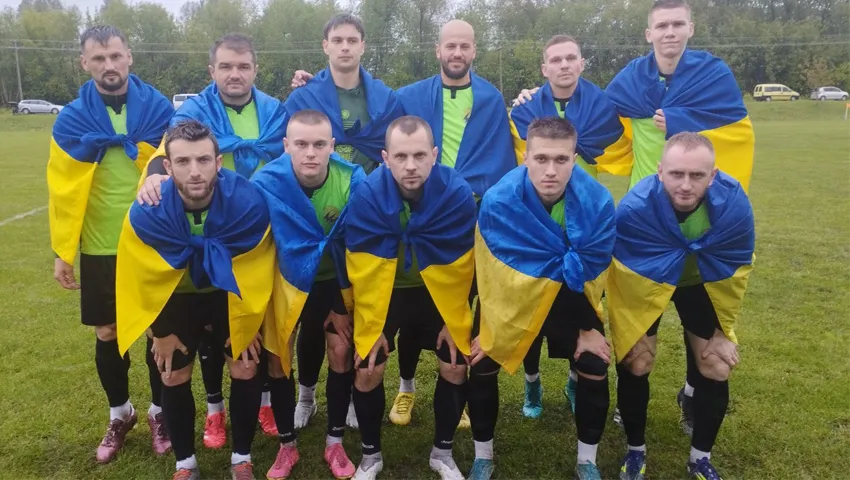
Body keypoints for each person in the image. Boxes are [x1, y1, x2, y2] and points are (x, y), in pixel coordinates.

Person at [604, 0, 755, 433]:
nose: (669, 32)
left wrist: (680, 119)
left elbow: (735, 132)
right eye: (661, 25)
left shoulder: (713, 75)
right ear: (648, 33)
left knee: (699, 311)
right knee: (638, 325)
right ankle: (631, 402)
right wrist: (534, 98)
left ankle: (693, 390)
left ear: (691, 27)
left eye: (677, 24)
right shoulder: (631, 79)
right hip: (644, 222)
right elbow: (590, 113)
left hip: (700, 216)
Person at [137, 32, 288, 444]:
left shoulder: (275, 110)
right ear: (212, 70)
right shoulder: (195, 110)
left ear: (255, 69)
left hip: (258, 234)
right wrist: (153, 177)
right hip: (206, 228)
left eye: (243, 66)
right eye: (226, 66)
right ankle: (215, 410)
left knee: (255, 323)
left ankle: (262, 402)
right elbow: (168, 153)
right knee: (208, 330)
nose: (234, 74)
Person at [115, 120, 276, 480]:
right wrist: (160, 331)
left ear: (218, 162)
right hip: (177, 297)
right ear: (167, 166)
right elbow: (137, 275)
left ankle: (242, 458)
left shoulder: (248, 201)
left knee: (246, 365)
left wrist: (249, 323)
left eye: (203, 160)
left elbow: (259, 267)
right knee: (173, 373)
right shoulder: (147, 210)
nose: (195, 171)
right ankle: (185, 464)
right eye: (183, 162)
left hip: (228, 293)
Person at [47, 24, 173, 463]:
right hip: (101, 243)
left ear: (129, 57)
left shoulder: (158, 108)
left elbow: (176, 164)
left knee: (160, 331)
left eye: (116, 56)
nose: (109, 65)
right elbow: (61, 188)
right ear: (84, 63)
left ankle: (160, 412)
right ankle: (121, 413)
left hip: (152, 239)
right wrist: (63, 251)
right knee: (108, 331)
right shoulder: (71, 119)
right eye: (99, 58)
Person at [381, 20, 516, 426]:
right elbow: (378, 128)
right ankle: (406, 387)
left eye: (464, 46)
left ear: (474, 50)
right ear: (438, 50)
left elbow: (501, 157)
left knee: (461, 301)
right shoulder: (409, 96)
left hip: (467, 217)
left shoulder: (491, 98)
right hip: (419, 212)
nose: (457, 53)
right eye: (450, 46)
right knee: (414, 299)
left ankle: (460, 390)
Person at [468, 117, 615, 480]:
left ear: (574, 158)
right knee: (481, 361)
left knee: (594, 363)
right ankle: (483, 455)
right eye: (541, 159)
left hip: (572, 298)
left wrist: (588, 328)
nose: (551, 170)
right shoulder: (499, 200)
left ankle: (587, 461)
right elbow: (493, 272)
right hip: (510, 296)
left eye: (561, 160)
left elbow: (590, 267)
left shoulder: (597, 201)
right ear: (526, 158)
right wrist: (491, 328)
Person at [607, 132, 755, 480]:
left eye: (697, 175)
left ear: (713, 175)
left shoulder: (734, 204)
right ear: (660, 171)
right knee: (636, 358)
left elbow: (735, 267)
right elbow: (623, 272)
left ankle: (700, 459)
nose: (686, 185)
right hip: (648, 277)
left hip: (700, 281)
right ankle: (635, 451)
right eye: (676, 174)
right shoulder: (635, 208)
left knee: (717, 363)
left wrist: (721, 330)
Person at [284, 13, 405, 430]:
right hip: (315, 219)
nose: (345, 47)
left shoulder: (385, 98)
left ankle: (355, 394)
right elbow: (287, 152)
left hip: (367, 219)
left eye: (353, 40)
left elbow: (396, 149)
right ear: (325, 46)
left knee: (356, 312)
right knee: (311, 315)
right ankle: (306, 396)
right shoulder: (305, 96)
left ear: (363, 46)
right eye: (337, 40)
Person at [344, 116, 478, 480]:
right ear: (385, 158)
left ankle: (442, 453)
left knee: (455, 362)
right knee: (367, 366)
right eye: (401, 156)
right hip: (386, 291)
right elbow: (358, 261)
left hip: (436, 291)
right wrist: (371, 325)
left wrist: (453, 319)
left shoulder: (457, 193)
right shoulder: (367, 194)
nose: (410, 166)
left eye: (419, 155)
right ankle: (370, 456)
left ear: (434, 155)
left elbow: (469, 263)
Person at [507, 34, 631, 419]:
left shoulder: (606, 108)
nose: (564, 65)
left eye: (570, 58)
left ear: (581, 63)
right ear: (544, 68)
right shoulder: (526, 108)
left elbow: (631, 138)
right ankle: (532, 382)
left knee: (583, 297)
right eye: (556, 60)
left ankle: (575, 380)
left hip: (583, 220)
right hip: (536, 217)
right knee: (532, 303)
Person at [251, 109, 366, 480]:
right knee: (277, 357)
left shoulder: (352, 179)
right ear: (286, 146)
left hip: (334, 281)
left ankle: (334, 442)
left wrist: (341, 305)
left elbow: (358, 243)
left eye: (319, 144)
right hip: (285, 282)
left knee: (341, 350)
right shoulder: (265, 181)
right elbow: (252, 246)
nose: (311, 153)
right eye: (301, 144)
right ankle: (287, 446)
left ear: (333, 146)